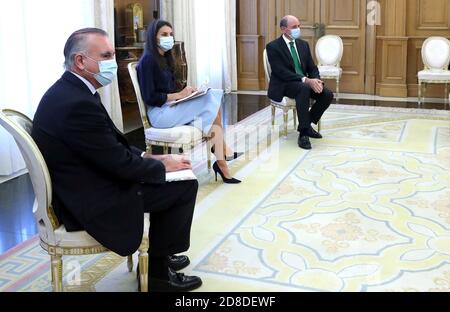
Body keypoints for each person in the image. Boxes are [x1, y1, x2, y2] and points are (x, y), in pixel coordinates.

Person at [31, 28, 202, 292]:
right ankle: (158, 274)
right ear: (80, 61)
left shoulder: (73, 90)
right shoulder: (76, 103)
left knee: (172, 176)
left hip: (83, 181)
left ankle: (161, 252)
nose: (113, 61)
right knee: (182, 186)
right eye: (107, 55)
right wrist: (160, 166)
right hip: (89, 199)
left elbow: (111, 145)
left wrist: (149, 156)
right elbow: (118, 164)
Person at [137, 20, 242, 184]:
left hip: (170, 107)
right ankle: (221, 156)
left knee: (210, 99)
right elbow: (150, 97)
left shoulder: (165, 58)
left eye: (171, 34)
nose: (169, 38)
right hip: (159, 115)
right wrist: (178, 95)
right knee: (211, 99)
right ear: (153, 37)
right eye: (164, 35)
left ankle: (221, 158)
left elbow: (171, 90)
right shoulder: (148, 60)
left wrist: (188, 93)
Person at [266, 15, 333, 150]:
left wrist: (316, 80)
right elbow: (281, 72)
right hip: (284, 83)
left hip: (303, 83)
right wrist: (306, 80)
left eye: (299, 26)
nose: (298, 29)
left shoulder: (303, 45)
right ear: (283, 29)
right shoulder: (273, 46)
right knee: (303, 88)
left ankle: (306, 124)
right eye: (294, 27)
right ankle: (303, 134)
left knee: (327, 94)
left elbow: (312, 68)